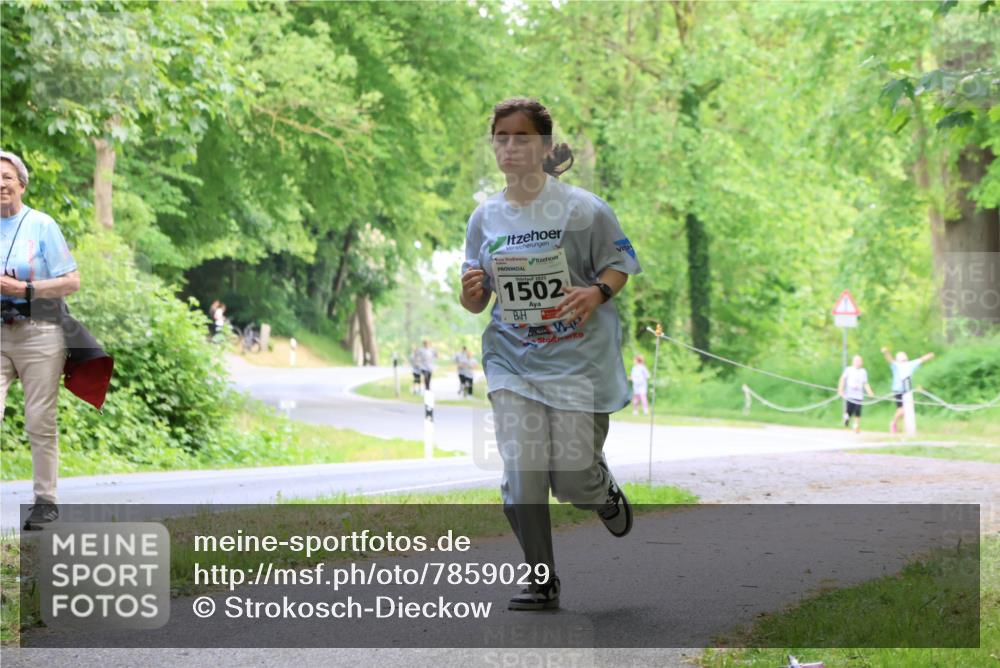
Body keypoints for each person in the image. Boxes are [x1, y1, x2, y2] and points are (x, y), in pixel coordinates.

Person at [460, 98, 641, 611]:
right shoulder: (484, 217)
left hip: (577, 362)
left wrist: (596, 293)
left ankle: (601, 492)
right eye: (501, 137)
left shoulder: (584, 209)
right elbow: (475, 299)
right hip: (512, 361)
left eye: (522, 137)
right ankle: (542, 579)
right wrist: (473, 292)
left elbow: (619, 263)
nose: (510, 146)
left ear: (542, 146)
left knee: (574, 478)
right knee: (523, 474)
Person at [0, 150, 81, 529]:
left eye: (6, 176)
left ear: (21, 183)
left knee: (39, 420)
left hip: (39, 333)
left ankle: (45, 501)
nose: (1, 184)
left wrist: (24, 288)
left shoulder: (41, 225)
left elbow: (72, 281)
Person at [881, 346, 935, 434]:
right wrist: (886, 352)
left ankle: (904, 428)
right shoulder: (896, 365)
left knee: (906, 410)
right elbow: (889, 359)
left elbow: (921, 359)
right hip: (898, 390)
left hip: (907, 390)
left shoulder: (910, 364)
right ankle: (893, 423)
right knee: (902, 409)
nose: (903, 360)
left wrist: (929, 356)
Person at [838, 354, 875, 433]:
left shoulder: (863, 372)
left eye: (860, 361)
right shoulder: (848, 369)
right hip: (850, 395)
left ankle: (856, 426)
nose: (858, 362)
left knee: (858, 411)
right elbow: (843, 379)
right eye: (856, 361)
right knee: (849, 411)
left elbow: (865, 383)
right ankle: (846, 418)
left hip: (858, 396)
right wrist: (840, 389)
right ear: (853, 362)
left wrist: (870, 392)